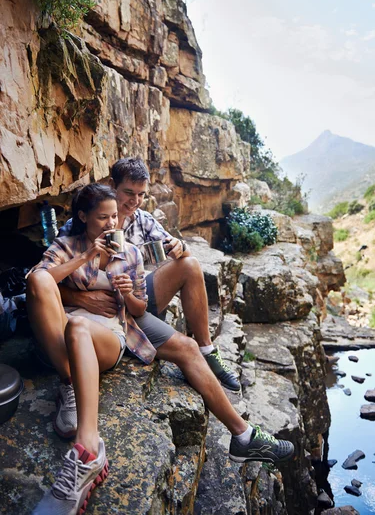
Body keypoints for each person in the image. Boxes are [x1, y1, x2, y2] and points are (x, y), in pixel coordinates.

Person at [28, 183, 294, 515]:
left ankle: (240, 435)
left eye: (115, 217)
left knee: (170, 339)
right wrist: (87, 258)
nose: (113, 224)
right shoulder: (68, 242)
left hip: (109, 331)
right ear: (83, 217)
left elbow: (139, 309)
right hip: (64, 333)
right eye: (103, 217)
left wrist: (127, 295)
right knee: (42, 285)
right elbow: (39, 281)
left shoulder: (130, 251)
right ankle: (75, 403)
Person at [59, 157, 240, 392]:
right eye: (128, 192)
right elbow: (44, 282)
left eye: (141, 194)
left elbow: (181, 252)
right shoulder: (78, 224)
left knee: (190, 264)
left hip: (134, 302)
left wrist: (180, 247)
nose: (135, 201)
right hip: (98, 312)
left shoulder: (142, 220)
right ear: (112, 185)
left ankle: (207, 350)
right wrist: (80, 298)